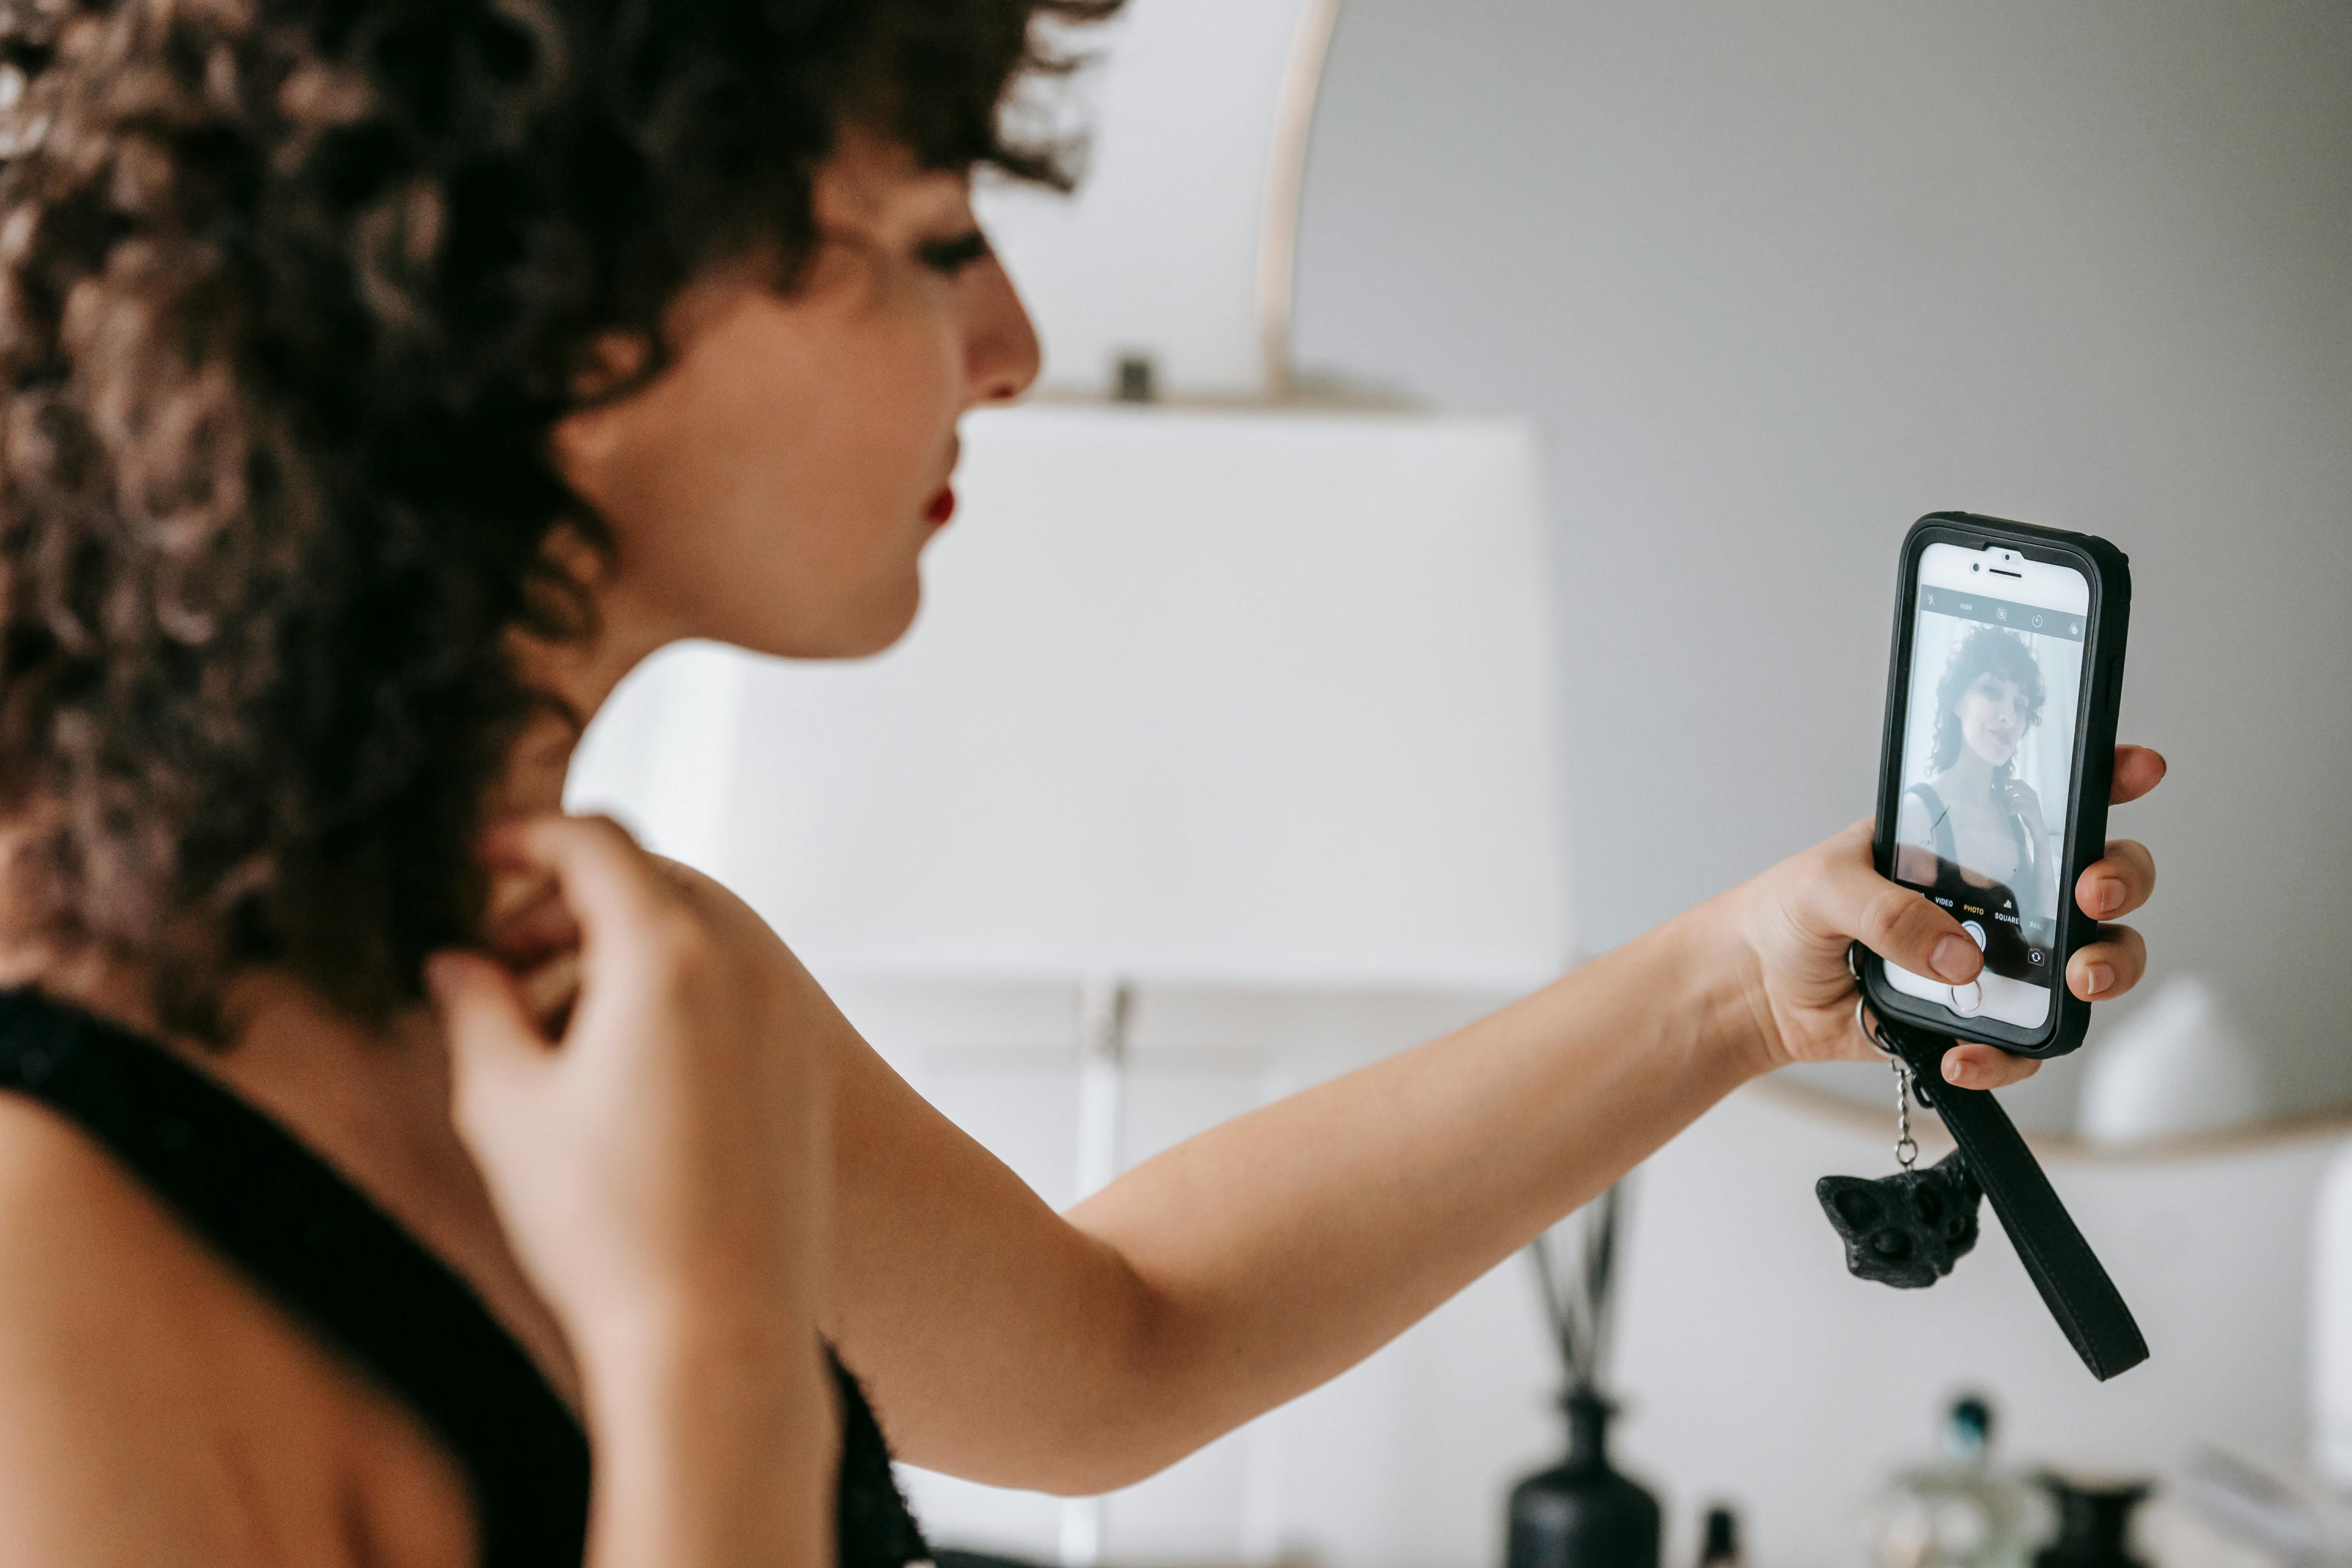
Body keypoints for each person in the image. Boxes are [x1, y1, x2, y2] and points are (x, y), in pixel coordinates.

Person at [0, 0, 2165, 1563]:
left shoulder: (617, 971)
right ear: (573, 322)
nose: (1013, 346)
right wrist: (714, 1366)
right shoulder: (51, 1230)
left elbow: (1107, 1351)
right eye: (938, 240)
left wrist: (1721, 984)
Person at [1895, 625, 2062, 955]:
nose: (2008, 717)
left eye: (2021, 705)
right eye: (1992, 690)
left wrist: (2041, 839)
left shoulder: (2013, 814)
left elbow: (2043, 938)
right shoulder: (1916, 812)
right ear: (1958, 700)